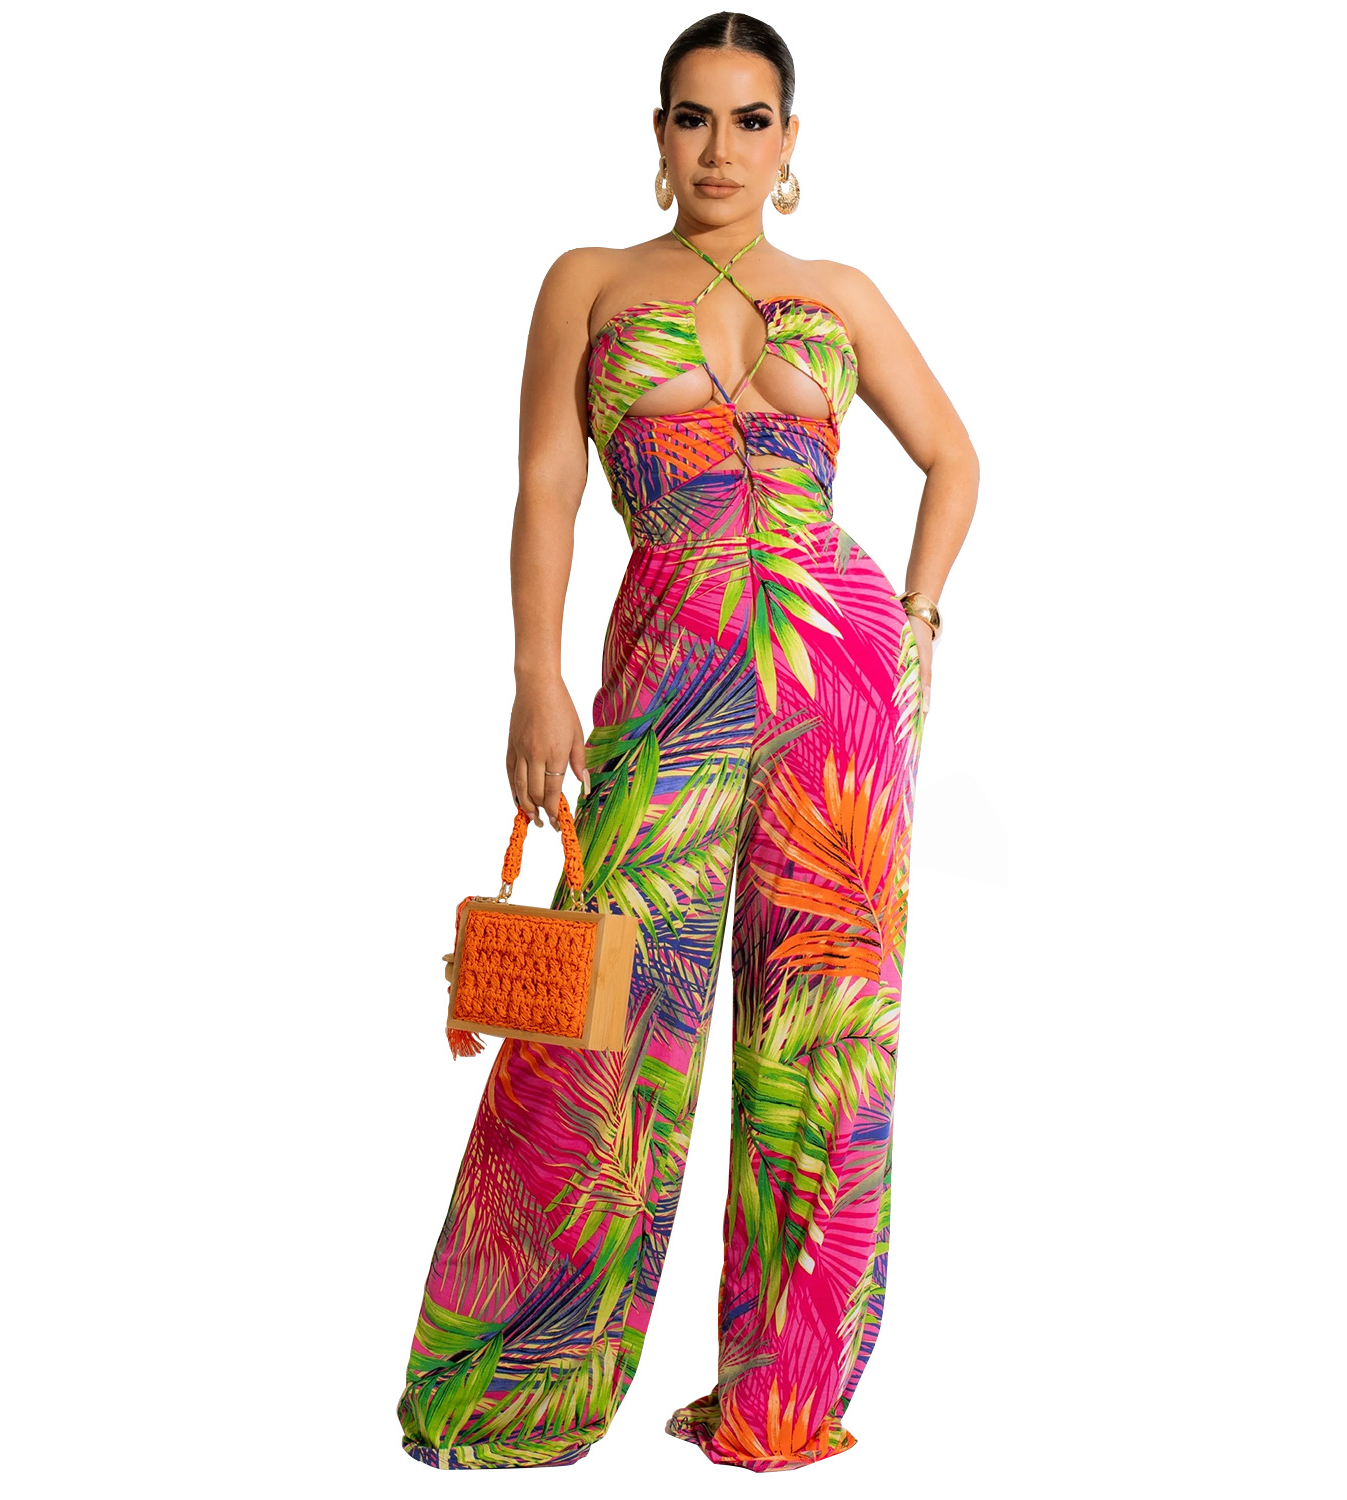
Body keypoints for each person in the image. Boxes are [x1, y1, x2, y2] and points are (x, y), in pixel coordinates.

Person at [397, 10, 977, 1472]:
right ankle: (519, 1383)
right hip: (669, 682)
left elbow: (954, 457)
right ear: (658, 135)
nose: (722, 148)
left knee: (821, 1037)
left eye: (751, 119)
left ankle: (783, 1398)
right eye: (694, 117)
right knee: (599, 1025)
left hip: (840, 684)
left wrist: (915, 623)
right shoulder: (590, 282)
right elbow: (545, 488)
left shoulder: (837, 292)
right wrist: (534, 680)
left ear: (792, 142)